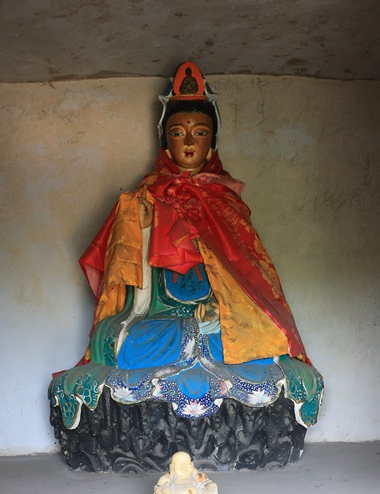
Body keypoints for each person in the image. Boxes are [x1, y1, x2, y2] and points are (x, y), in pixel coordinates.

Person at [50, 61, 322, 435]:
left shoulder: (226, 204)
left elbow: (250, 278)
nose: (190, 142)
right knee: (120, 341)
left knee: (261, 336)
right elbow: (129, 293)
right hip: (157, 320)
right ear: (166, 141)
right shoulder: (141, 201)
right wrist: (137, 219)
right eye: (178, 133)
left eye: (200, 132)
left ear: (213, 142)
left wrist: (219, 309)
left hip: (217, 319)